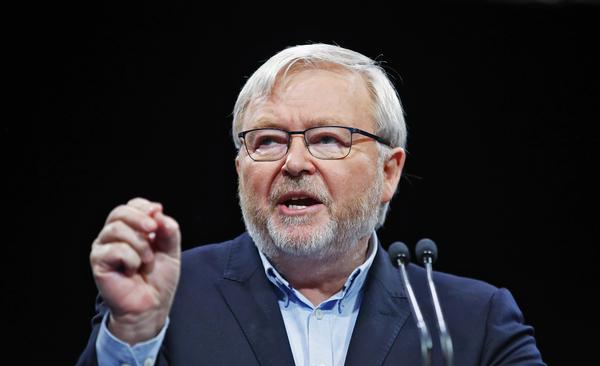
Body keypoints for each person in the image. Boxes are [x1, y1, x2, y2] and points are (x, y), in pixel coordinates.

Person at [77, 43, 545, 366]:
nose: (294, 162)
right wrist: (135, 334)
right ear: (240, 167)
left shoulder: (470, 320)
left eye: (325, 139)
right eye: (267, 141)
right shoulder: (166, 300)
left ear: (389, 172)